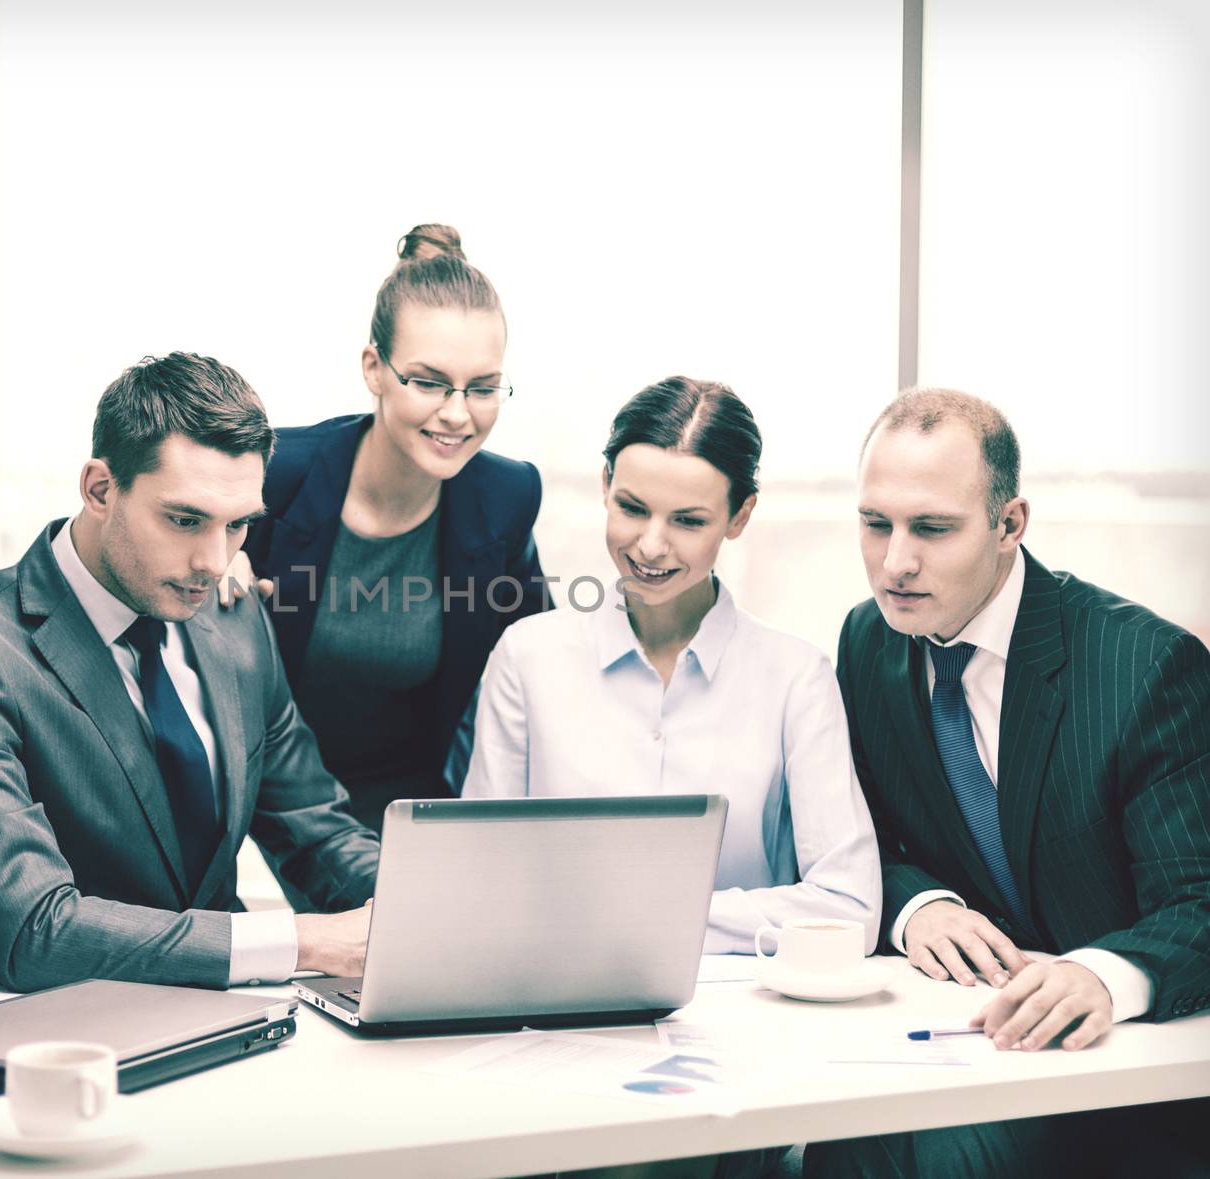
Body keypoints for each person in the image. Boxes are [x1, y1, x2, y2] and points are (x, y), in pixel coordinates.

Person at [804, 389, 1210, 1178]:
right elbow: (861, 837)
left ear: (1009, 523)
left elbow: (1200, 898)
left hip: (1121, 1068)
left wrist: (1101, 974)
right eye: (875, 522)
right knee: (825, 1140)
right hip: (953, 1040)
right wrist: (917, 903)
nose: (895, 562)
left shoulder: (1145, 669)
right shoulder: (869, 640)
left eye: (932, 528)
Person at [0, 351, 380, 995]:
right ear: (100, 489)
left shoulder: (235, 621)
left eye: (237, 525)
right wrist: (304, 942)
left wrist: (421, 907)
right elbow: (33, 931)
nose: (215, 561)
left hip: (238, 1028)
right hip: (67, 1037)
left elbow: (314, 827)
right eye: (185, 520)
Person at [464, 377, 882, 954]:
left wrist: (633, 916)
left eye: (688, 521)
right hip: (559, 1001)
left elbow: (849, 910)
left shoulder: (796, 677)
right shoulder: (526, 657)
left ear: (739, 516)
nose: (651, 546)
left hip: (746, 1013)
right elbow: (476, 880)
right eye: (633, 509)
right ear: (605, 485)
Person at [228, 224, 551, 833]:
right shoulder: (272, 474)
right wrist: (217, 554)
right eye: (428, 382)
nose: (457, 414)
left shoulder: (504, 498)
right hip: (263, 785)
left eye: (482, 388)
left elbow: (545, 658)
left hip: (410, 804)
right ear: (374, 368)